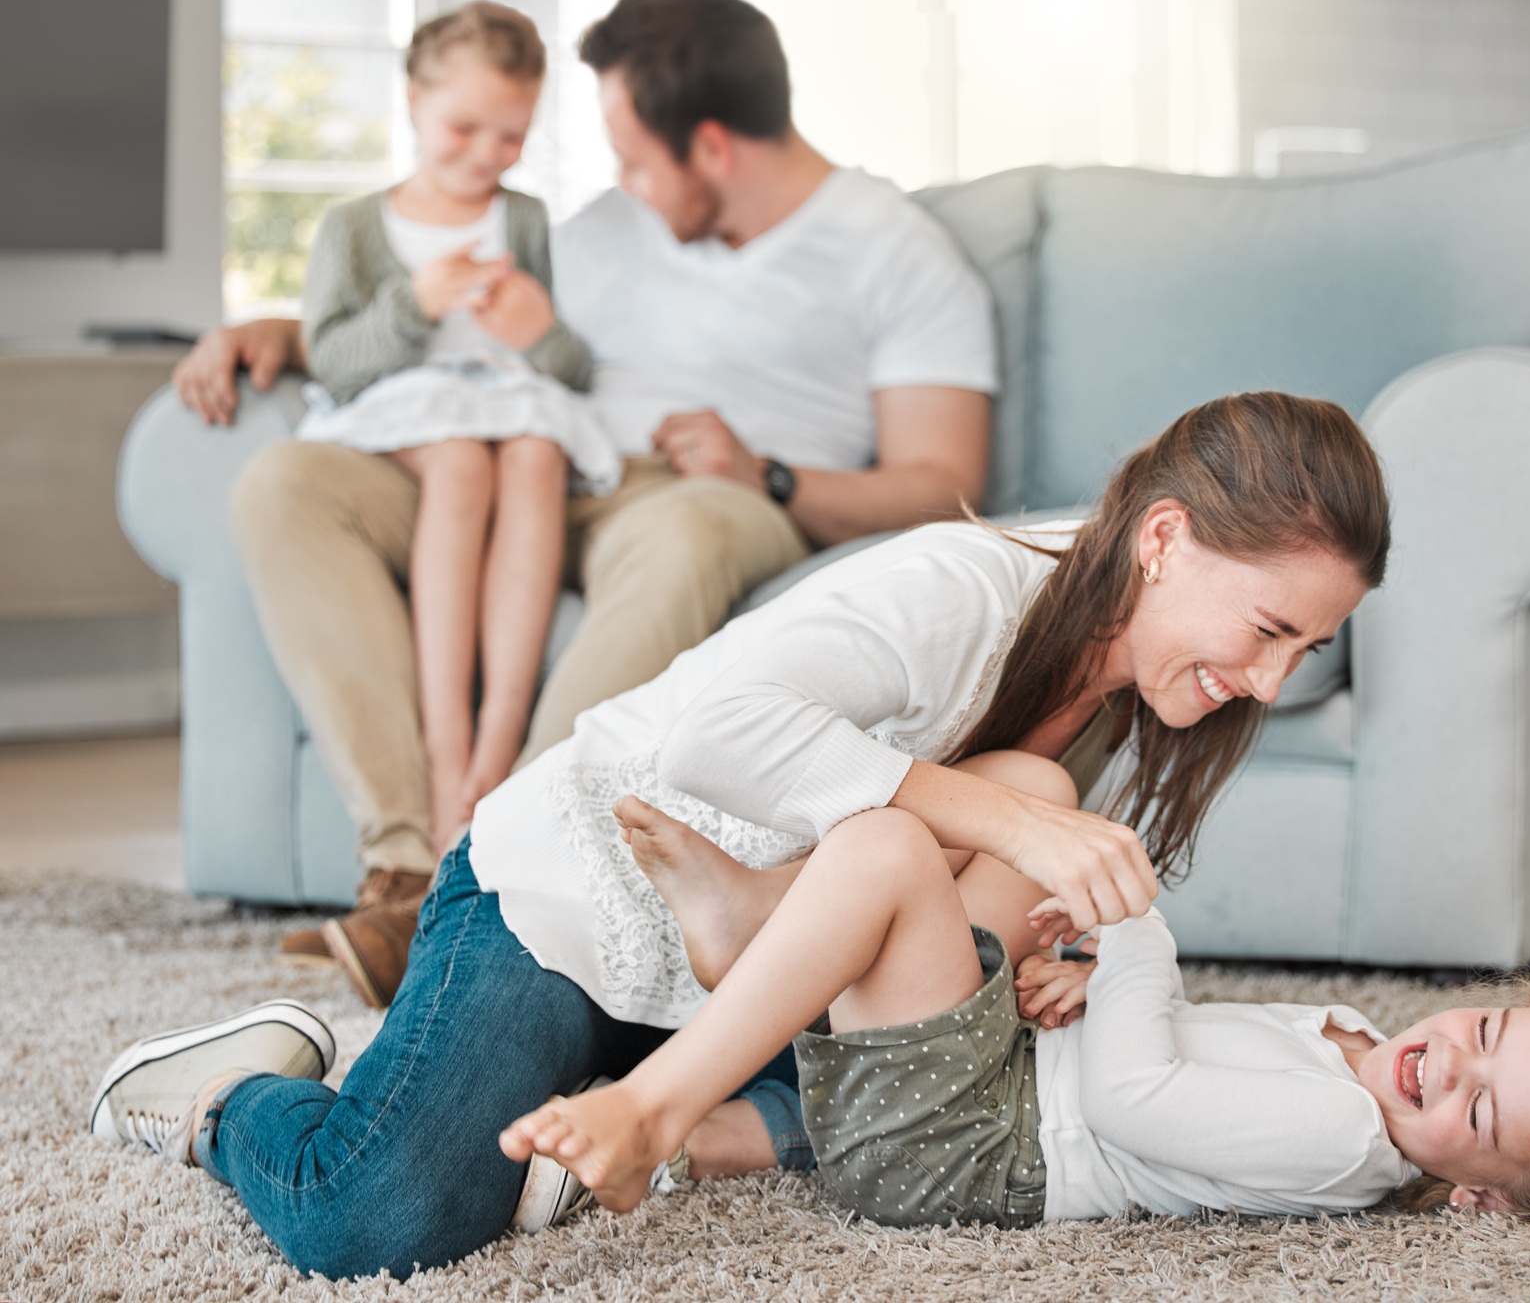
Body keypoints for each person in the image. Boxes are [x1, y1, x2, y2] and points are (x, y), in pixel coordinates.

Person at [90, 391, 1389, 1279]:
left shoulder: (1115, 700)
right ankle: (232, 1090)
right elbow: (715, 732)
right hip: (578, 895)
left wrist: (1059, 958)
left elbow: (973, 908)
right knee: (373, 1215)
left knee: (955, 1122)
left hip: (759, 992)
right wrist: (1007, 825)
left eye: (1308, 651)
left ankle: (750, 944)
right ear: (1165, 540)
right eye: (1270, 631)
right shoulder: (963, 589)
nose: (1272, 684)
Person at [171, 0, 998, 1006]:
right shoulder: (607, 226)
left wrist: (769, 475)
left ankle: (479, 867)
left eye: (633, 155)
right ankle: (400, 859)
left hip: (701, 495)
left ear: (710, 147)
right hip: (544, 466)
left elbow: (948, 481)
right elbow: (465, 316)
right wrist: (276, 334)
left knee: (689, 532)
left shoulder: (892, 249)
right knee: (286, 483)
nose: (615, 180)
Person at [502, 784, 1530, 1226]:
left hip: (958, 1148)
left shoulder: (1346, 1140)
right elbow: (1179, 1045)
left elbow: (1133, 1098)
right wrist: (1087, 978)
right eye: (1485, 1035)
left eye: (1480, 1113)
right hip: (1002, 1082)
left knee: (886, 850)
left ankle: (664, 1105)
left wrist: (1130, 932)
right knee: (1029, 792)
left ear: (1478, 1193)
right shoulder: (1372, 1058)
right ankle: (766, 928)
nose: (1449, 1066)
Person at [295, 1, 616, 864]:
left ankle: (496, 744)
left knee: (536, 454)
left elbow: (566, 367)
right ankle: (446, 762)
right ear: (411, 101)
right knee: (462, 465)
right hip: (406, 408)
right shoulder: (356, 229)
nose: (486, 154)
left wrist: (535, 334)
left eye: (510, 137)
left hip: (513, 404)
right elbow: (332, 362)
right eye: (464, 127)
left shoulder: (523, 222)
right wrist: (417, 303)